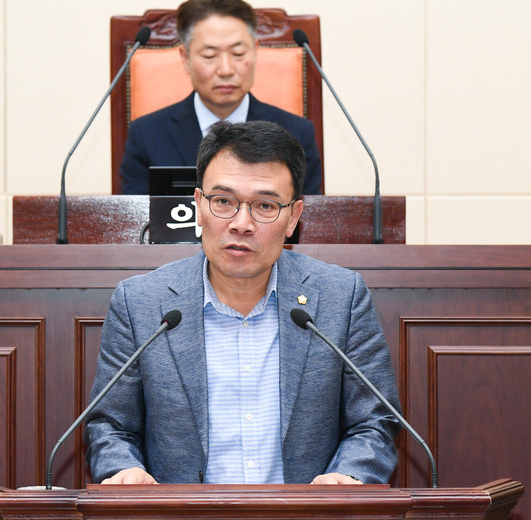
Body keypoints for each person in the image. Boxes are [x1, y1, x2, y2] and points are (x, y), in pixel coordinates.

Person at [85, 121, 400, 485]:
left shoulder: (340, 298)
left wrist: (347, 475)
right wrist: (125, 471)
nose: (241, 224)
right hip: (183, 513)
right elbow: (110, 425)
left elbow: (375, 420)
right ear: (198, 206)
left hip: (305, 512)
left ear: (293, 217)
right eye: (223, 202)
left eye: (265, 205)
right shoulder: (141, 302)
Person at [119, 0, 322, 195]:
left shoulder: (297, 133)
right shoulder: (146, 134)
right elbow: (134, 216)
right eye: (210, 55)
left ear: (255, 51)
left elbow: (309, 214)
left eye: (238, 53)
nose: (226, 70)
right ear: (185, 58)